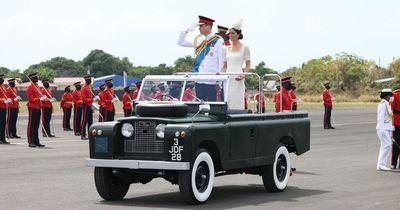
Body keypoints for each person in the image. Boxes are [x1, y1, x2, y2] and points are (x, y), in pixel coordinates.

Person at [177, 15, 224, 101]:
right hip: (198, 78)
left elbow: (221, 61)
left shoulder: (218, 40)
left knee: (212, 105)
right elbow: (180, 42)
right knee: (199, 105)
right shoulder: (199, 41)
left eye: (201, 26)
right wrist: (187, 30)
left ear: (209, 26)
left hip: (211, 79)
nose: (199, 28)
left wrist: (219, 81)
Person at [220, 19, 251, 109]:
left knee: (237, 99)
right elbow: (225, 66)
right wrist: (220, 74)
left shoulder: (245, 48)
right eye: (229, 33)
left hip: (238, 76)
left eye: (233, 33)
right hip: (228, 77)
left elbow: (248, 66)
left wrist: (243, 75)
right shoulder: (226, 49)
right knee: (228, 99)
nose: (230, 35)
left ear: (238, 34)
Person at [376, 88, 394, 171]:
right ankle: (381, 164)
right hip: (382, 128)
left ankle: (381, 164)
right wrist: (382, 129)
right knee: (387, 145)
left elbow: (389, 117)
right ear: (386, 96)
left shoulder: (388, 104)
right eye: (390, 95)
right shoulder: (383, 104)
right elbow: (380, 117)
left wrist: (391, 128)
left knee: (385, 146)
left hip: (387, 128)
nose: (391, 97)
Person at [26, 72, 46, 147]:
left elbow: (38, 96)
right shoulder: (30, 87)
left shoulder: (37, 86)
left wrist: (42, 98)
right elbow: (31, 99)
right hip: (32, 107)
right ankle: (30, 141)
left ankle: (36, 141)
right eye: (35, 77)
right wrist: (39, 98)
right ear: (32, 79)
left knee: (36, 125)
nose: (37, 78)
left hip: (38, 107)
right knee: (31, 125)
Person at [81, 75, 93, 140]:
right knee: (85, 120)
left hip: (89, 105)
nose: (90, 80)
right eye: (89, 79)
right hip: (85, 105)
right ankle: (83, 134)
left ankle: (89, 134)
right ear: (86, 80)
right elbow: (84, 99)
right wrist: (91, 100)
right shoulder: (84, 88)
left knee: (90, 121)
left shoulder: (89, 87)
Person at [391, 89, 400, 169]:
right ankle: (394, 162)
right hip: (397, 122)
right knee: (396, 143)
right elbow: (391, 110)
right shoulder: (396, 94)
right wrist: (391, 123)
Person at [0, 74, 10, 144]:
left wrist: (7, 99)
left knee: (3, 123)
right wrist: (3, 100)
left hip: (4, 107)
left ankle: (3, 138)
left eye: (3, 78)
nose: (2, 79)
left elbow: (5, 96)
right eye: (1, 78)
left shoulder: (3, 87)